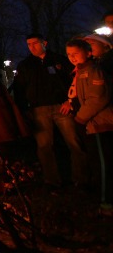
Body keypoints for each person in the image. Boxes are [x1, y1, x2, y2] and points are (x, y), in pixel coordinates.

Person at [11, 33, 87, 186]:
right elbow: (19, 88)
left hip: (62, 106)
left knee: (74, 142)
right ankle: (52, 180)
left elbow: (74, 80)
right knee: (44, 146)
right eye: (29, 45)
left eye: (35, 43)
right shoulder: (26, 65)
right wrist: (24, 108)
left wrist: (70, 101)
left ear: (44, 42)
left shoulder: (59, 60)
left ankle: (81, 178)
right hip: (39, 109)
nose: (32, 47)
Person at [61, 39, 113, 213]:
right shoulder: (80, 72)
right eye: (69, 54)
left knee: (103, 164)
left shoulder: (94, 71)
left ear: (88, 53)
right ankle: (100, 196)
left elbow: (98, 98)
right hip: (89, 124)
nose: (72, 58)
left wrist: (80, 118)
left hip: (99, 124)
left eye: (76, 53)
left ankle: (107, 202)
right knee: (95, 161)